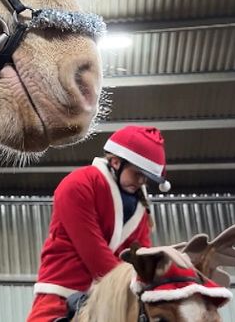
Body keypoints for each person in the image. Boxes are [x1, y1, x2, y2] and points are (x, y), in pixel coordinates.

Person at [27, 125, 172, 322]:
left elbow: (140, 255)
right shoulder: (78, 184)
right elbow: (93, 251)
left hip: (115, 300)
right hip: (63, 295)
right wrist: (133, 286)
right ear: (115, 162)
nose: (141, 181)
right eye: (137, 173)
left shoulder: (141, 207)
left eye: (146, 177)